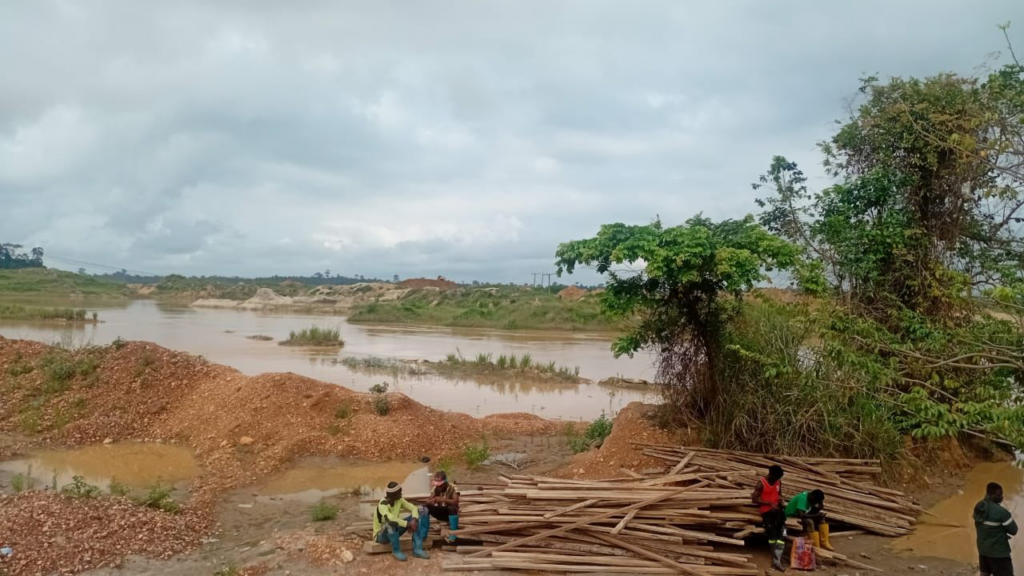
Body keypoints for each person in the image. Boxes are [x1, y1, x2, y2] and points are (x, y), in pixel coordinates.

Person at [373, 481, 430, 561]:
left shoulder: (399, 500)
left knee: (416, 517)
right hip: (381, 535)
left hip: (394, 530)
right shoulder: (383, 504)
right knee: (390, 524)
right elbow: (390, 518)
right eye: (399, 493)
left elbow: (413, 508)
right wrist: (407, 524)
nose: (401, 494)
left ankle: (417, 549)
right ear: (393, 495)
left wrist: (414, 520)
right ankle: (396, 551)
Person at [974, 482, 1017, 576]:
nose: (1002, 496)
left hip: (983, 550)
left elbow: (981, 525)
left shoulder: (979, 506)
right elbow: (1014, 530)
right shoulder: (1002, 512)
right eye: (999, 494)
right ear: (991, 495)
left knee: (984, 573)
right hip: (999, 553)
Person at [752, 465, 786, 570]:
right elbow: (754, 499)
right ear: (770, 474)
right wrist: (769, 503)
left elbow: (779, 494)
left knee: (783, 533)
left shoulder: (778, 482)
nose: (777, 480)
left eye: (778, 478)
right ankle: (776, 561)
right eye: (776, 477)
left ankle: (777, 560)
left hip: (778, 511)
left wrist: (781, 500)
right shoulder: (761, 483)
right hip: (766, 512)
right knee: (772, 534)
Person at [426, 470, 460, 543]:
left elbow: (456, 501)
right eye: (437, 485)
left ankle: (453, 534)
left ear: (445, 482)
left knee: (452, 508)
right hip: (440, 511)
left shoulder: (452, 487)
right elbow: (428, 500)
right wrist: (432, 501)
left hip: (449, 512)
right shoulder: (436, 488)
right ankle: (423, 532)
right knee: (425, 508)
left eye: (440, 485)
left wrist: (443, 500)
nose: (439, 487)